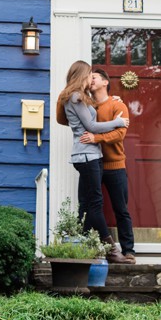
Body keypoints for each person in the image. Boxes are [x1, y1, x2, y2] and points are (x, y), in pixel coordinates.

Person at [55, 60, 128, 264]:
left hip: (87, 156)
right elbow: (92, 126)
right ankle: (111, 250)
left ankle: (82, 246)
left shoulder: (78, 97)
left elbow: (90, 113)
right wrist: (119, 122)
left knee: (85, 206)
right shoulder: (76, 97)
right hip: (87, 156)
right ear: (82, 76)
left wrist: (112, 99)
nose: (91, 78)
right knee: (95, 204)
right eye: (89, 74)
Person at [81, 70, 135, 264]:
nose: (90, 80)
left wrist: (97, 138)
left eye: (94, 77)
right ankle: (90, 249)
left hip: (115, 165)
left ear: (105, 82)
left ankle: (128, 250)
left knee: (121, 209)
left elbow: (119, 134)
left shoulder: (117, 105)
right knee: (88, 207)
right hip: (92, 164)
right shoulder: (85, 105)